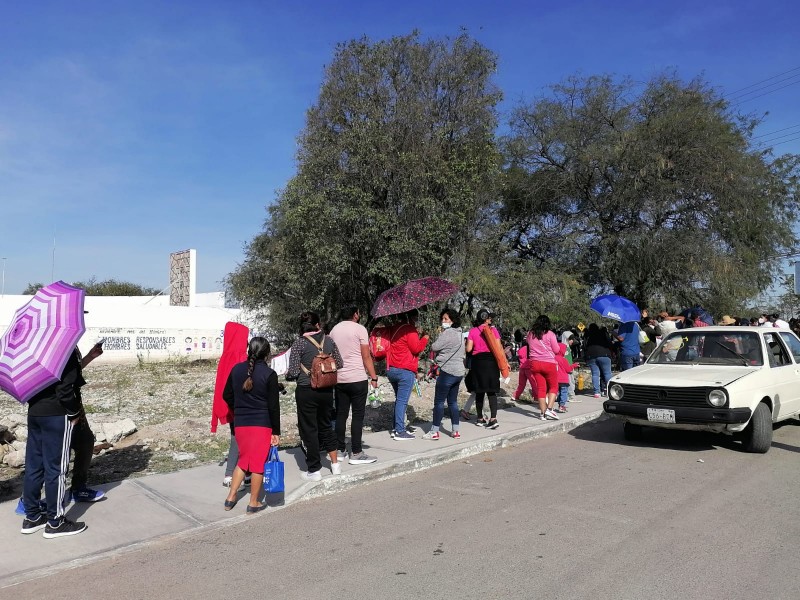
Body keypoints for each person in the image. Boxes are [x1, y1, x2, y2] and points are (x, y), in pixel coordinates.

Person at [21, 349, 88, 538]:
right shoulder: (63, 351)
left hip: (35, 412)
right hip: (57, 415)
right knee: (56, 469)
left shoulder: (35, 350)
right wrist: (74, 413)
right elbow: (65, 389)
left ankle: (32, 517)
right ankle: (55, 522)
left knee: (34, 466)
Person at [222, 337, 281, 513]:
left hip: (240, 424)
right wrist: (276, 431)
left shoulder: (237, 369)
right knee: (257, 464)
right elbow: (273, 406)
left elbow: (227, 395)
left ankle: (231, 497)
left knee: (243, 461)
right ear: (267, 353)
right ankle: (253, 502)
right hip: (261, 424)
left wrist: (238, 408)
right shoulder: (269, 374)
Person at [287, 312, 344, 478]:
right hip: (326, 390)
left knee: (310, 429)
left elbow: (293, 372)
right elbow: (339, 363)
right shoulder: (329, 341)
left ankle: (314, 470)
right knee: (326, 425)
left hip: (306, 390)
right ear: (318, 325)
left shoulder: (299, 344)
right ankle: (335, 464)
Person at [329, 306, 379, 464]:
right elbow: (366, 356)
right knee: (358, 416)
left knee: (341, 415)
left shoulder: (334, 331)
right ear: (355, 314)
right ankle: (356, 452)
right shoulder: (360, 329)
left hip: (340, 379)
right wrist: (374, 376)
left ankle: (341, 449)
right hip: (357, 378)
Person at [211, 321, 249, 488]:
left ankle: (244, 473)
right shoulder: (241, 358)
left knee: (237, 437)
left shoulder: (225, 357)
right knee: (239, 438)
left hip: (228, 404)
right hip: (241, 405)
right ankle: (230, 474)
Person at [385, 309, 429, 440]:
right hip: (405, 369)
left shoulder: (394, 328)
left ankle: (396, 428)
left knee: (399, 400)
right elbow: (416, 348)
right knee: (402, 401)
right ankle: (399, 430)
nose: (416, 320)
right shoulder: (409, 330)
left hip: (391, 369)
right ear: (411, 317)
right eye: (415, 317)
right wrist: (425, 338)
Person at [424, 308, 465, 439]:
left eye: (446, 319)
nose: (443, 321)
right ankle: (455, 430)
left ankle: (434, 431)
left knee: (439, 402)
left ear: (452, 320)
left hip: (447, 371)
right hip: (459, 372)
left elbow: (434, 347)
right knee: (453, 402)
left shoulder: (447, 333)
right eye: (442, 319)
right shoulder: (460, 334)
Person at [465, 309, 501, 429]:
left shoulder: (473, 331)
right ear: (486, 319)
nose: (491, 319)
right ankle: (493, 419)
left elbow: (469, 349)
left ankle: (480, 418)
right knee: (491, 391)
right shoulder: (493, 330)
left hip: (478, 363)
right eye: (489, 318)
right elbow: (498, 347)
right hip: (491, 361)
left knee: (479, 390)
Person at [526, 315, 561, 421]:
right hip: (548, 363)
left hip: (534, 363)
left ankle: (542, 413)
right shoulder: (550, 334)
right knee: (553, 386)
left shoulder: (530, 334)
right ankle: (549, 409)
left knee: (541, 388)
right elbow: (556, 350)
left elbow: (529, 345)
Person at [583, 323, 614, 399]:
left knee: (595, 374)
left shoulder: (588, 335)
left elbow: (584, 346)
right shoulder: (603, 333)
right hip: (604, 354)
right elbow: (609, 343)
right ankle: (609, 391)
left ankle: (596, 392)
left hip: (591, 355)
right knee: (607, 373)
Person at [513, 334, 537, 402]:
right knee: (534, 384)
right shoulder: (531, 349)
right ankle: (536, 397)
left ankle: (515, 396)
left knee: (521, 384)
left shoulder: (521, 349)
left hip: (522, 368)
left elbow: (519, 356)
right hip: (529, 368)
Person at [554, 343, 577, 413]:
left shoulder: (553, 358)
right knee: (564, 392)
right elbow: (568, 370)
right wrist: (573, 365)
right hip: (563, 380)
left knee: (554, 392)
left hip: (555, 379)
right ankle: (562, 405)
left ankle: (550, 405)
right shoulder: (563, 360)